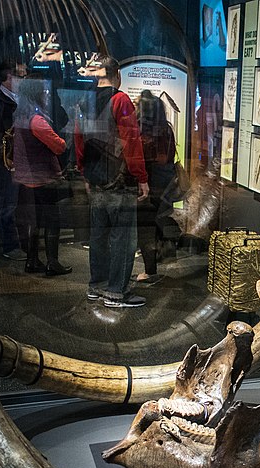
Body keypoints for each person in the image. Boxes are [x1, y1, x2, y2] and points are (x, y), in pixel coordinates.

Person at [76, 56, 149, 307]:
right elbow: (131, 141)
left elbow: (78, 139)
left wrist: (83, 171)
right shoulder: (121, 100)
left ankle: (96, 285)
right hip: (120, 181)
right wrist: (141, 177)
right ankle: (116, 293)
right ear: (116, 74)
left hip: (96, 179)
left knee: (98, 235)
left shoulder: (84, 101)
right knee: (123, 238)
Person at [13, 75, 72, 276]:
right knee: (51, 221)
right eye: (42, 91)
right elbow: (59, 146)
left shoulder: (19, 116)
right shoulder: (37, 120)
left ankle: (32, 260)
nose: (46, 94)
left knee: (33, 221)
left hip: (25, 179)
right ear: (35, 93)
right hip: (43, 179)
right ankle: (52, 262)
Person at [134, 89, 178, 283]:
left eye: (137, 106)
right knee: (154, 223)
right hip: (164, 182)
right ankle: (164, 250)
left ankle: (150, 271)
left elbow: (143, 159)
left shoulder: (143, 133)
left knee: (145, 228)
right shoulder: (166, 129)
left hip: (150, 183)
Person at [0, 59, 27, 260]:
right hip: (7, 159)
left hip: (20, 157)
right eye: (21, 76)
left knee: (17, 203)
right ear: (9, 76)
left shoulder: (15, 98)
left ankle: (19, 243)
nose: (24, 81)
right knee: (8, 203)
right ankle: (9, 245)